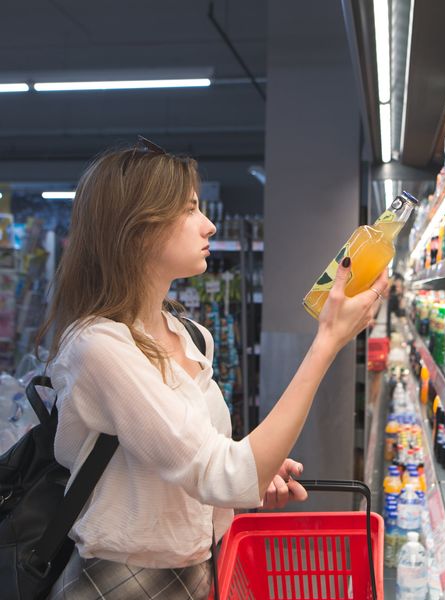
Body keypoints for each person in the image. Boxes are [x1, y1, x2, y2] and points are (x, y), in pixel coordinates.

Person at [39, 138, 388, 599]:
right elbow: (217, 470)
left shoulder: (188, 336)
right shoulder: (99, 347)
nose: (208, 224)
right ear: (137, 229)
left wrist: (255, 477)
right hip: (125, 583)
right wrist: (327, 343)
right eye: (189, 209)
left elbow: (204, 461)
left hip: (205, 569)